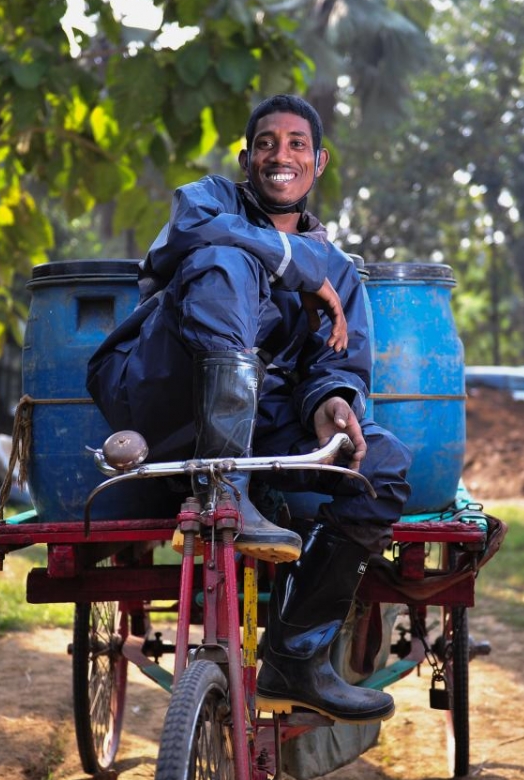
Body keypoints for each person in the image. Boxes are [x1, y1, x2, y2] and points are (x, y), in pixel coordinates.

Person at [87, 94, 411, 723]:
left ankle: (296, 652)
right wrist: (296, 265)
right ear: (245, 158)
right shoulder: (206, 199)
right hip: (163, 401)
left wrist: (333, 407)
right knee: (225, 261)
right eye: (266, 143)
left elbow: (338, 365)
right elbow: (190, 237)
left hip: (261, 424)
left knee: (382, 464)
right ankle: (224, 491)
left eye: (296, 144)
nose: (279, 155)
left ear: (318, 162)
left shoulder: (341, 272)